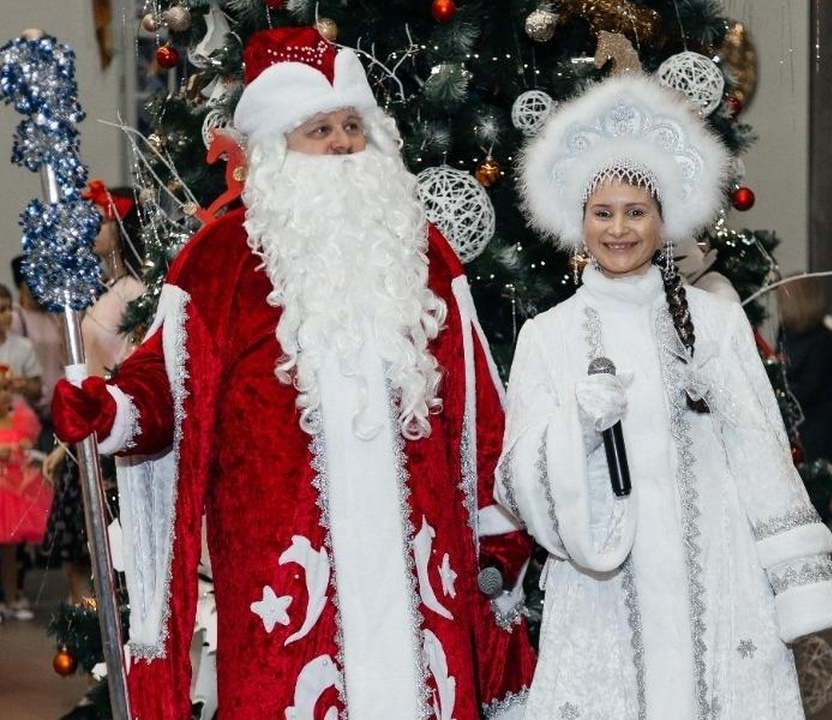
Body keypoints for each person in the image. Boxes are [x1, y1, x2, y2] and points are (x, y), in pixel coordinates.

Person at [50, 26, 535, 720]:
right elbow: (167, 385)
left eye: (351, 127)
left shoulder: (422, 256)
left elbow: (480, 412)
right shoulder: (219, 264)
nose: (341, 144)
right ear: (276, 148)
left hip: (421, 587)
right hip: (284, 588)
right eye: (318, 129)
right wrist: (115, 411)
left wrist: (502, 536)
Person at [496, 73, 832, 720]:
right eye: (603, 212)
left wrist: (801, 581)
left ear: (664, 218)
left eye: (636, 211)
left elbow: (761, 452)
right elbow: (515, 481)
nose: (619, 229)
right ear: (578, 220)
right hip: (603, 595)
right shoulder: (548, 336)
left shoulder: (716, 321)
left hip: (719, 579)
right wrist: (575, 426)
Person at [42, 181, 143, 609]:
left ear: (119, 225)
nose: (92, 229)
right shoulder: (106, 288)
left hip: (112, 429)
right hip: (90, 425)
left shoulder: (134, 293)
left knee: (111, 548)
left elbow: (130, 364)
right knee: (81, 544)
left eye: (100, 220)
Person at [0, 282, 44, 621]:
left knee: (11, 535)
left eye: (6, 309)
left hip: (14, 434)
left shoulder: (21, 347)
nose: (3, 316)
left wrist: (17, 386)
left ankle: (14, 595)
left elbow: (37, 386)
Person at [776, 276, 832, 466]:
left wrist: (776, 395)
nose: (779, 307)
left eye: (783, 300)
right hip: (793, 420)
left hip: (816, 426)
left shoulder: (823, 339)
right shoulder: (785, 333)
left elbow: (809, 387)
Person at [0, 380, 50, 621]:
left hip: (11, 492)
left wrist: (21, 448)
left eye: (6, 389)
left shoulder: (20, 420)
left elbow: (25, 451)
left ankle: (10, 599)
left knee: (10, 553)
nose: (4, 395)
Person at [10, 254, 65, 453]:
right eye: (32, 278)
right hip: (33, 413)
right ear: (21, 283)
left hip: (58, 410)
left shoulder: (53, 317)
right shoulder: (16, 318)